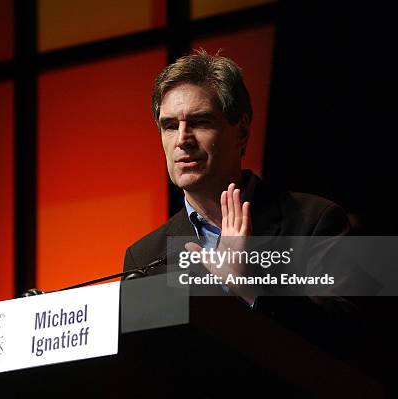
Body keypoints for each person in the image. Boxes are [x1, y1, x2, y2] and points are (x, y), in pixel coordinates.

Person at [123, 50, 357, 340]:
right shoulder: (145, 258)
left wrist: (248, 287)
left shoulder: (314, 222)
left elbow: (343, 339)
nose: (182, 139)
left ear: (242, 130)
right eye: (170, 126)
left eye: (200, 122)